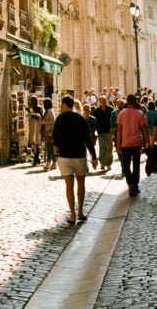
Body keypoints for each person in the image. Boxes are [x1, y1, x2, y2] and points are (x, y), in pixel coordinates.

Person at [52, 93, 98, 224]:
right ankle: (81, 211)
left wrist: (56, 155)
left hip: (64, 156)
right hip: (79, 155)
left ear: (65, 104)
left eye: (62, 104)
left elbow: (55, 139)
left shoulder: (60, 119)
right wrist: (94, 156)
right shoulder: (81, 118)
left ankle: (72, 214)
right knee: (81, 184)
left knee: (69, 185)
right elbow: (88, 139)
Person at [115, 94, 149, 196]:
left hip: (126, 143)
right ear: (134, 101)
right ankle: (135, 184)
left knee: (126, 165)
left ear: (127, 101)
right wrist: (148, 143)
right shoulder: (140, 113)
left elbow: (119, 130)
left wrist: (118, 143)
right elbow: (144, 130)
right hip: (137, 142)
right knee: (136, 165)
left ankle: (130, 183)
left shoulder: (121, 113)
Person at [93, 95, 114, 171]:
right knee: (102, 148)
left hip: (109, 132)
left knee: (109, 148)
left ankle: (108, 163)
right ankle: (102, 163)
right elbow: (94, 122)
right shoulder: (96, 111)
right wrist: (95, 131)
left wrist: (113, 129)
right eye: (101, 101)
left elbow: (114, 120)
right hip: (100, 132)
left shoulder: (110, 109)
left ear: (106, 101)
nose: (102, 102)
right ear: (99, 102)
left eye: (104, 101)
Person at [41, 97, 56, 169]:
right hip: (47, 131)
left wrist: (45, 123)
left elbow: (53, 121)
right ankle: (50, 162)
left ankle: (51, 162)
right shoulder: (47, 111)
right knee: (48, 147)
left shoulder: (50, 111)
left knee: (50, 147)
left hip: (50, 132)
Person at [27, 95, 42, 165]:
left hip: (37, 128)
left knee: (36, 143)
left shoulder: (38, 108)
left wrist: (31, 114)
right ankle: (36, 158)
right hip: (34, 128)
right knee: (35, 143)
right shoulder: (33, 108)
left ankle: (36, 158)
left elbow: (38, 116)